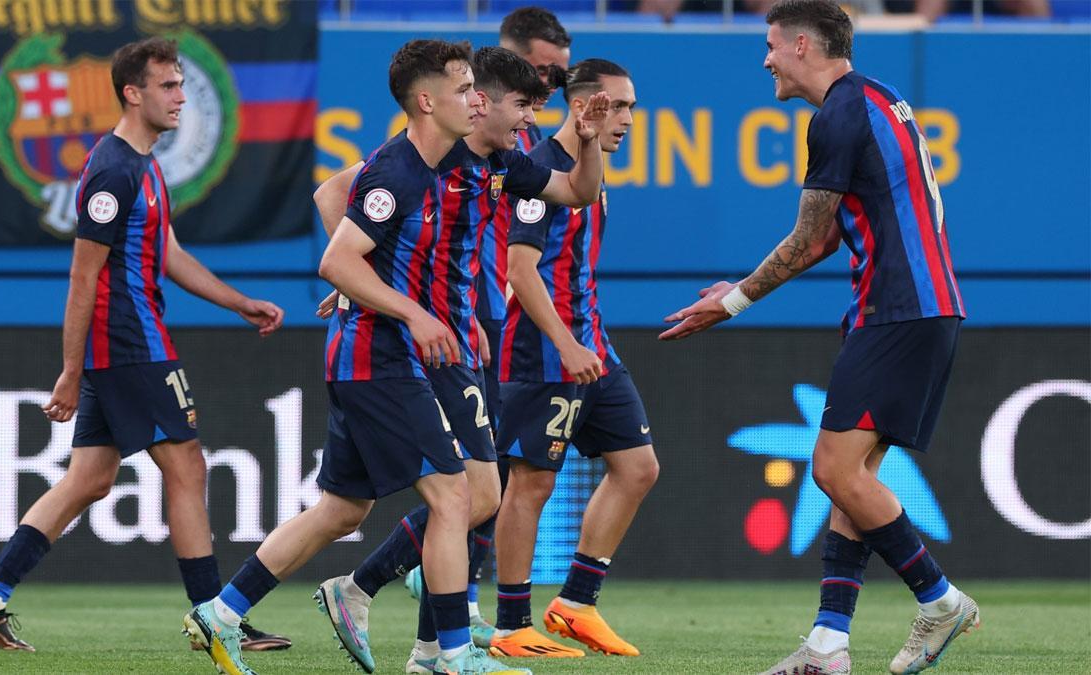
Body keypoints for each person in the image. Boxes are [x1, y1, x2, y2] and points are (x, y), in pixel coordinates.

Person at [182, 39, 526, 675]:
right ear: (427, 101)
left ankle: (220, 614)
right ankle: (447, 657)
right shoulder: (397, 170)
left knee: (343, 511)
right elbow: (335, 259)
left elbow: (354, 251)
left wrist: (380, 287)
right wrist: (409, 308)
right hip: (379, 358)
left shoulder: (429, 163)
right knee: (456, 497)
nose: (473, 100)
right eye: (461, 89)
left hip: (367, 353)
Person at [658, 2, 977, 673]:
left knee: (833, 469)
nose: (766, 58)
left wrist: (734, 301)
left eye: (772, 45)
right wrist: (738, 289)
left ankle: (940, 599)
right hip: (918, 309)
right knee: (851, 475)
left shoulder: (835, 114)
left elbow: (807, 240)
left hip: (899, 310)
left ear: (802, 43)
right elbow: (832, 232)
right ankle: (828, 645)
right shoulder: (880, 98)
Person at [0, 36, 289, 655]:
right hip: (131, 341)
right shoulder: (111, 170)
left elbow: (169, 254)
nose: (181, 96)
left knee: (90, 478)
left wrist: (238, 302)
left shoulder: (145, 163)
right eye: (168, 85)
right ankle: (216, 618)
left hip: (130, 341)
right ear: (132, 93)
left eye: (182, 84)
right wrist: (70, 372)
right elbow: (83, 277)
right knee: (187, 465)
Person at [312, 46, 607, 673]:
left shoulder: (499, 162)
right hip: (415, 345)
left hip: (460, 336)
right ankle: (433, 643)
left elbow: (577, 191)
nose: (530, 118)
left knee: (473, 497)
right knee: (463, 496)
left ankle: (415, 634)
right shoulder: (422, 156)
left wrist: (589, 143)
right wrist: (384, 289)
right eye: (523, 103)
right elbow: (333, 194)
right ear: (475, 101)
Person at [490, 58, 660, 661]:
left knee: (638, 467)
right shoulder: (538, 169)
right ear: (582, 104)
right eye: (618, 106)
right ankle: (511, 624)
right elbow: (519, 270)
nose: (628, 119)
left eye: (632, 107)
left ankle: (576, 603)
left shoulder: (588, 168)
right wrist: (564, 342)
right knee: (530, 485)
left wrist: (582, 341)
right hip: (546, 351)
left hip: (593, 346)